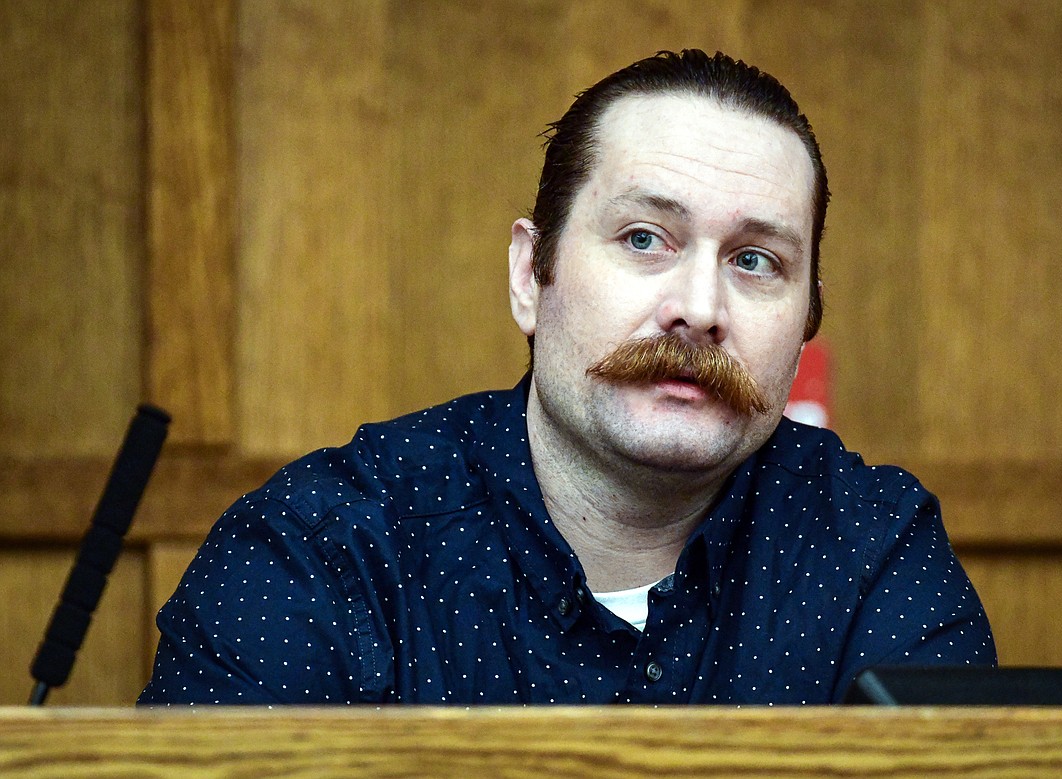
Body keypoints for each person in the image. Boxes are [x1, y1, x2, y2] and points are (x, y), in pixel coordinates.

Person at [140, 49, 994, 706]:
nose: (699, 308)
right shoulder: (322, 550)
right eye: (644, 239)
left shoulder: (874, 551)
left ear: (806, 318)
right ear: (529, 273)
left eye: (756, 260)